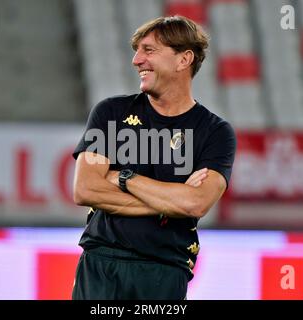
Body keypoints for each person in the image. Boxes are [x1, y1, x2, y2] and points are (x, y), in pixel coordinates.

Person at [72, 15, 236, 300]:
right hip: (101, 264)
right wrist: (168, 203)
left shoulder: (215, 132)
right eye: (137, 51)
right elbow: (85, 189)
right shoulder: (110, 113)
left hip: (165, 271)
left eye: (149, 50)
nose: (136, 60)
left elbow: (195, 203)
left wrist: (123, 177)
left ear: (183, 60)